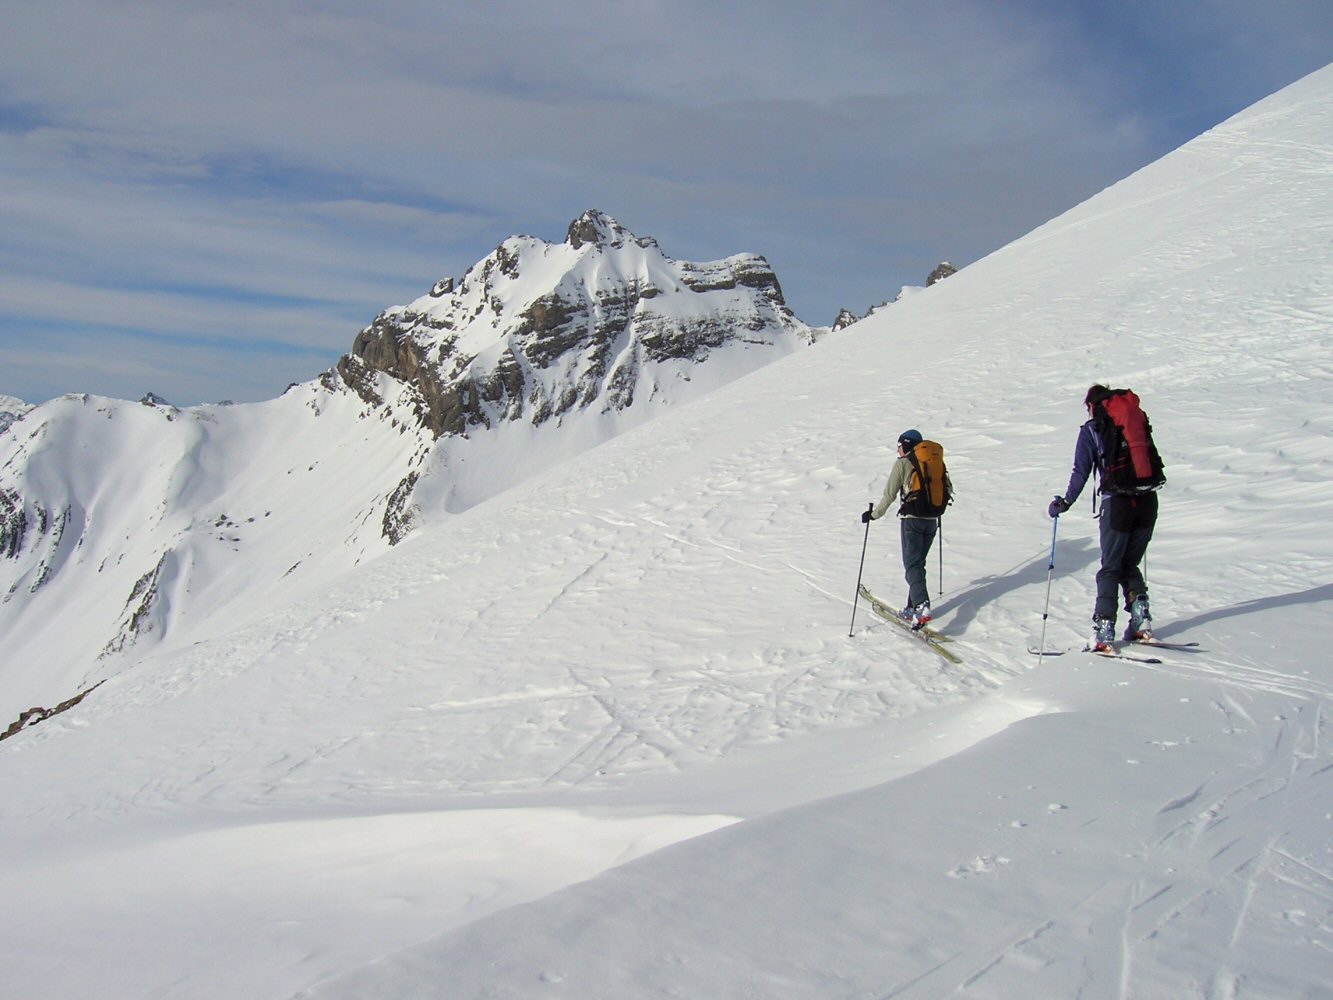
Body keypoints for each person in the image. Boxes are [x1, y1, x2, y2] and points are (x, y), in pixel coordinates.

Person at [1048, 384, 1158, 650]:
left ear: (1091, 406)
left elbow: (1080, 471)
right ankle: (1141, 620)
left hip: (1117, 504)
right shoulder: (1134, 422)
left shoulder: (1092, 429)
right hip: (1148, 499)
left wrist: (1065, 502)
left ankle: (1104, 629)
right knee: (1129, 563)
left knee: (1110, 567)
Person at [861, 428, 938, 628]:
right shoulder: (930, 463)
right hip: (932, 520)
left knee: (912, 565)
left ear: (905, 445)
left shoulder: (903, 464)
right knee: (918, 564)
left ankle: (921, 606)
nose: (898, 450)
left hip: (912, 521)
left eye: (899, 446)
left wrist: (873, 515)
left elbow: (889, 495)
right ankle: (912, 608)